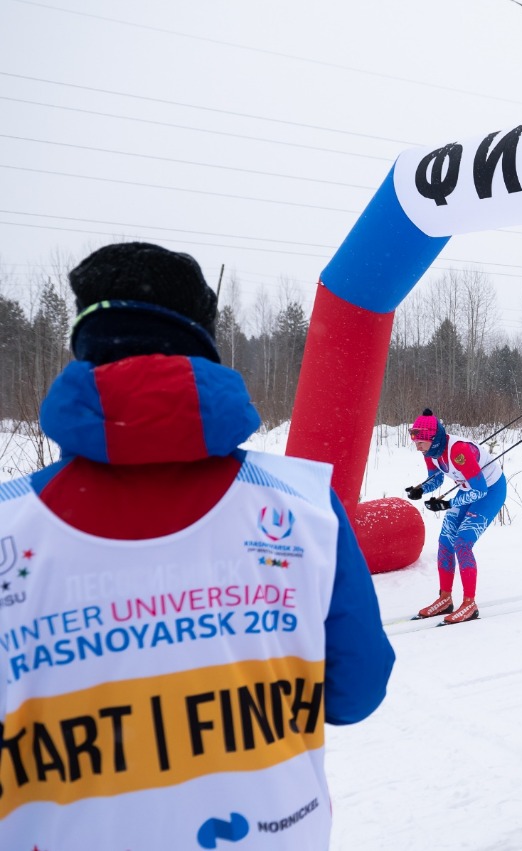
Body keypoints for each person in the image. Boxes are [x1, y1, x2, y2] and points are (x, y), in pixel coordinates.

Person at [0, 242, 395, 850]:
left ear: (84, 350)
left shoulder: (10, 525)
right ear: (203, 346)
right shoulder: (304, 505)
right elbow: (357, 689)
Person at [404, 409, 507, 625]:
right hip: (468, 488)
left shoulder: (458, 451)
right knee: (445, 542)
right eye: (413, 437)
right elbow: (436, 478)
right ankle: (444, 599)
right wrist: (421, 489)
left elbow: (480, 491)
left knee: (462, 542)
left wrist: (448, 503)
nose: (416, 444)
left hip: (490, 491)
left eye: (419, 439)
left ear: (433, 438)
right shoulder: (430, 451)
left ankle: (469, 604)